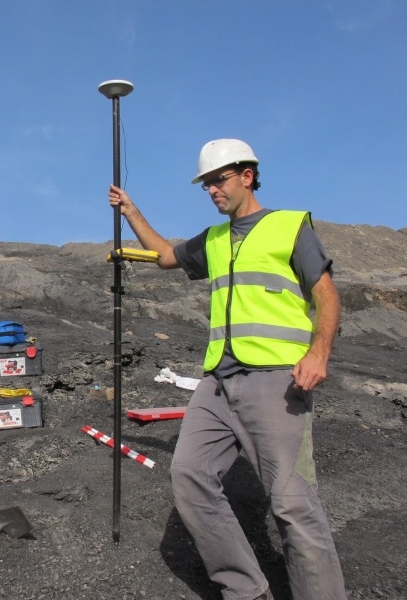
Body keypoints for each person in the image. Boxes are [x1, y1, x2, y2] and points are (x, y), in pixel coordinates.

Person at [108, 139, 346, 600]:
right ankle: (245, 590)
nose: (212, 190)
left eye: (219, 180)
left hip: (278, 381)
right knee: (190, 475)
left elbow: (327, 294)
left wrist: (319, 354)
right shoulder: (214, 240)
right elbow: (164, 257)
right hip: (217, 383)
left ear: (247, 176)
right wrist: (131, 212)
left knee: (292, 504)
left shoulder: (288, 226)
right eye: (206, 184)